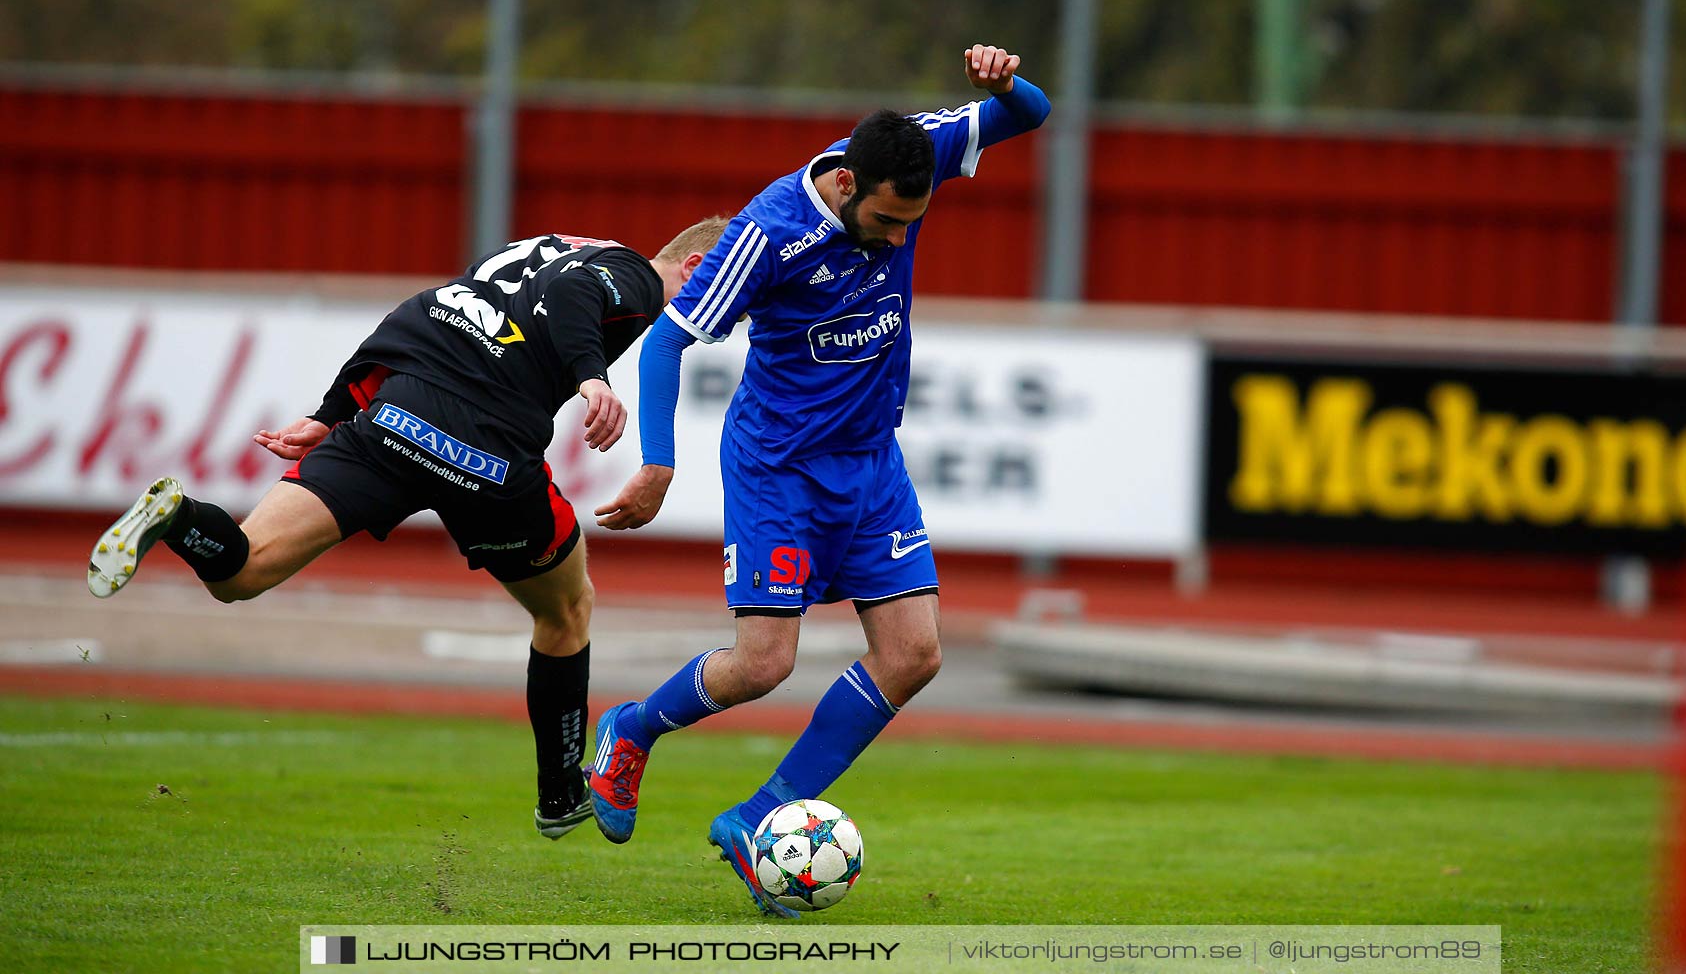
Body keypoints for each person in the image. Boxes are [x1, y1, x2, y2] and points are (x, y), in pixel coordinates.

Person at [587, 44, 1051, 916]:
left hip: (872, 462)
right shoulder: (769, 234)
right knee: (764, 664)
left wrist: (1004, 87)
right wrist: (656, 464)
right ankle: (631, 731)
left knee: (915, 655)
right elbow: (666, 340)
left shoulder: (912, 150)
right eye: (886, 222)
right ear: (845, 187)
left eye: (913, 221)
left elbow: (1031, 115)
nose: (900, 237)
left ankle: (757, 815)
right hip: (780, 469)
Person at [85, 219, 728, 839]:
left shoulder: (542, 247)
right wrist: (593, 378)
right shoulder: (635, 276)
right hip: (485, 446)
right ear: (695, 264)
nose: (717, 321)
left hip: (397, 412)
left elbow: (422, 311)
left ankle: (179, 517)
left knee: (244, 571)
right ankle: (560, 794)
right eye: (724, 295)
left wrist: (330, 412)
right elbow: (573, 296)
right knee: (567, 610)